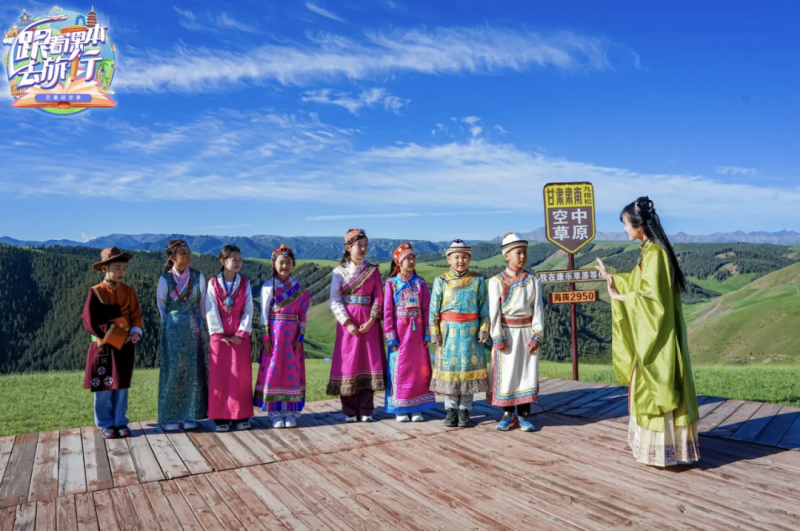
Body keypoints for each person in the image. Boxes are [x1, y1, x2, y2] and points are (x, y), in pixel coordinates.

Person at [596, 196, 700, 467]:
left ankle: (662, 450)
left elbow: (652, 301)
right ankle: (659, 449)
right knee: (653, 384)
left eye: (625, 224)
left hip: (659, 337)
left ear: (639, 226)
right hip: (658, 332)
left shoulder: (655, 254)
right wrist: (612, 278)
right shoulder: (649, 251)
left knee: (657, 384)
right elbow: (638, 283)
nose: (624, 229)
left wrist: (619, 298)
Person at [81, 247, 142, 439]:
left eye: (124, 269)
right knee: (104, 386)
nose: (121, 273)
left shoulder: (129, 291)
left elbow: (136, 314)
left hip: (125, 347)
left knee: (121, 385)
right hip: (104, 346)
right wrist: (118, 336)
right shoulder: (96, 292)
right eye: (117, 268)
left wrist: (135, 331)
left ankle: (120, 422)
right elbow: (91, 321)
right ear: (104, 269)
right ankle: (106, 424)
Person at [429, 240, 490, 428]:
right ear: (449, 259)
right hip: (449, 333)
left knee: (467, 373)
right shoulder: (441, 281)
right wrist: (435, 332)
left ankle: (465, 410)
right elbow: (433, 310)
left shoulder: (478, 280)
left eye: (464, 257)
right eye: (456, 257)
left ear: (469, 258)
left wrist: (484, 328)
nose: (460, 261)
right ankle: (450, 409)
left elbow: (484, 308)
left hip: (471, 334)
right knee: (451, 373)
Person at [327, 229, 386, 422]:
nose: (363, 248)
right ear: (348, 247)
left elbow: (379, 297)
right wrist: (347, 322)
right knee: (348, 362)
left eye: (365, 245)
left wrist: (372, 320)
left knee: (369, 361)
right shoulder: (339, 272)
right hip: (349, 324)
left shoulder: (373, 271)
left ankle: (367, 409)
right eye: (359, 245)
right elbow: (335, 300)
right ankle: (350, 410)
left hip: (369, 322)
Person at [487, 233, 544, 432]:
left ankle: (524, 414)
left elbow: (538, 309)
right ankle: (508, 414)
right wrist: (497, 335)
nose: (522, 256)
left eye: (524, 253)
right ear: (506, 255)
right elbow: (494, 312)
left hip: (527, 332)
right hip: (507, 333)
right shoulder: (496, 281)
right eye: (518, 252)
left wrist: (537, 334)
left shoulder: (532, 280)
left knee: (526, 373)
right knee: (508, 374)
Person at [254, 244, 311, 428]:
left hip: (292, 336)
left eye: (288, 262)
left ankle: (291, 413)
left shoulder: (298, 287)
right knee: (274, 372)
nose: (284, 266)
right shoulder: (268, 287)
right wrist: (266, 337)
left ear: (293, 265)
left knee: (292, 373)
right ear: (273, 264)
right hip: (274, 336)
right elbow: (264, 314)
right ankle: (275, 413)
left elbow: (302, 315)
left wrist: (300, 337)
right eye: (281, 262)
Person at [156, 239, 208, 432]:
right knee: (173, 372)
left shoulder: (198, 277)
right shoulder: (165, 280)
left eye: (189, 252)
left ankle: (190, 415)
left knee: (193, 373)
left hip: (194, 331)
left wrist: (203, 328)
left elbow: (203, 305)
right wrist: (169, 327)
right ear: (172, 258)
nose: (188, 257)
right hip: (172, 332)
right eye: (183, 254)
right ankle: (169, 416)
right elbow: (162, 307)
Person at [383, 242, 436, 422]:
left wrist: (428, 333)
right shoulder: (392, 283)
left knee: (419, 370)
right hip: (400, 333)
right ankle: (400, 408)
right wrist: (390, 337)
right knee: (400, 368)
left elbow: (427, 308)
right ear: (399, 262)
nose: (412, 261)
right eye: (408, 259)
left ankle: (417, 407)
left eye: (413, 258)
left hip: (418, 333)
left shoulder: (420, 282)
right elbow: (387, 312)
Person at [206, 245, 254, 432]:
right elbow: (210, 309)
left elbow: (248, 309)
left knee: (241, 376)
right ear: (223, 261)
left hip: (239, 337)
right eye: (234, 259)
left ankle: (241, 416)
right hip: (219, 338)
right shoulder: (213, 283)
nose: (238, 263)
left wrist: (242, 333)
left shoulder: (245, 283)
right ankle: (220, 418)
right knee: (219, 377)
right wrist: (219, 334)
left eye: (240, 259)